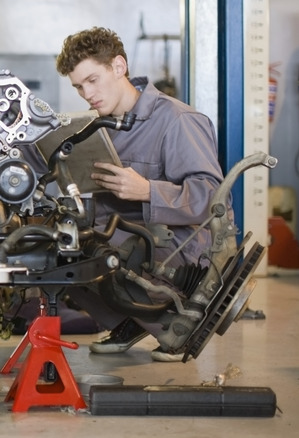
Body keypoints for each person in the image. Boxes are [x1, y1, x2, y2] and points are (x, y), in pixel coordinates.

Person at [54, 27, 224, 362]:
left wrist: (147, 190)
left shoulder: (178, 120)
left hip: (176, 250)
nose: (86, 94)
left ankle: (171, 323)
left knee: (94, 252)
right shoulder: (99, 126)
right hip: (125, 237)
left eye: (92, 80)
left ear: (118, 66)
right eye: (78, 87)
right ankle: (131, 320)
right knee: (58, 248)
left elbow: (213, 197)